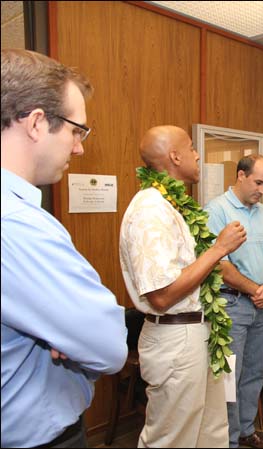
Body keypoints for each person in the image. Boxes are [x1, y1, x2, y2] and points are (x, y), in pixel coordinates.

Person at [1, 48, 127, 448]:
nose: (79, 148)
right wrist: (71, 341)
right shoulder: (18, 224)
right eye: (77, 130)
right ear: (37, 122)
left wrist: (68, 338)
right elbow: (108, 346)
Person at [119, 126, 246, 447]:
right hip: (176, 337)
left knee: (211, 432)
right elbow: (161, 295)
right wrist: (218, 248)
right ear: (175, 156)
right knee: (172, 439)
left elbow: (193, 269)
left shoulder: (174, 205)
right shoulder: (150, 210)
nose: (198, 154)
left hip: (201, 332)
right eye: (191, 148)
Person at [205, 155, 263, 449]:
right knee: (229, 379)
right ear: (240, 175)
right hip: (232, 306)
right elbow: (219, 266)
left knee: (255, 372)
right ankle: (229, 439)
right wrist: (255, 290)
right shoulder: (217, 210)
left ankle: (247, 430)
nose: (262, 190)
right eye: (258, 182)